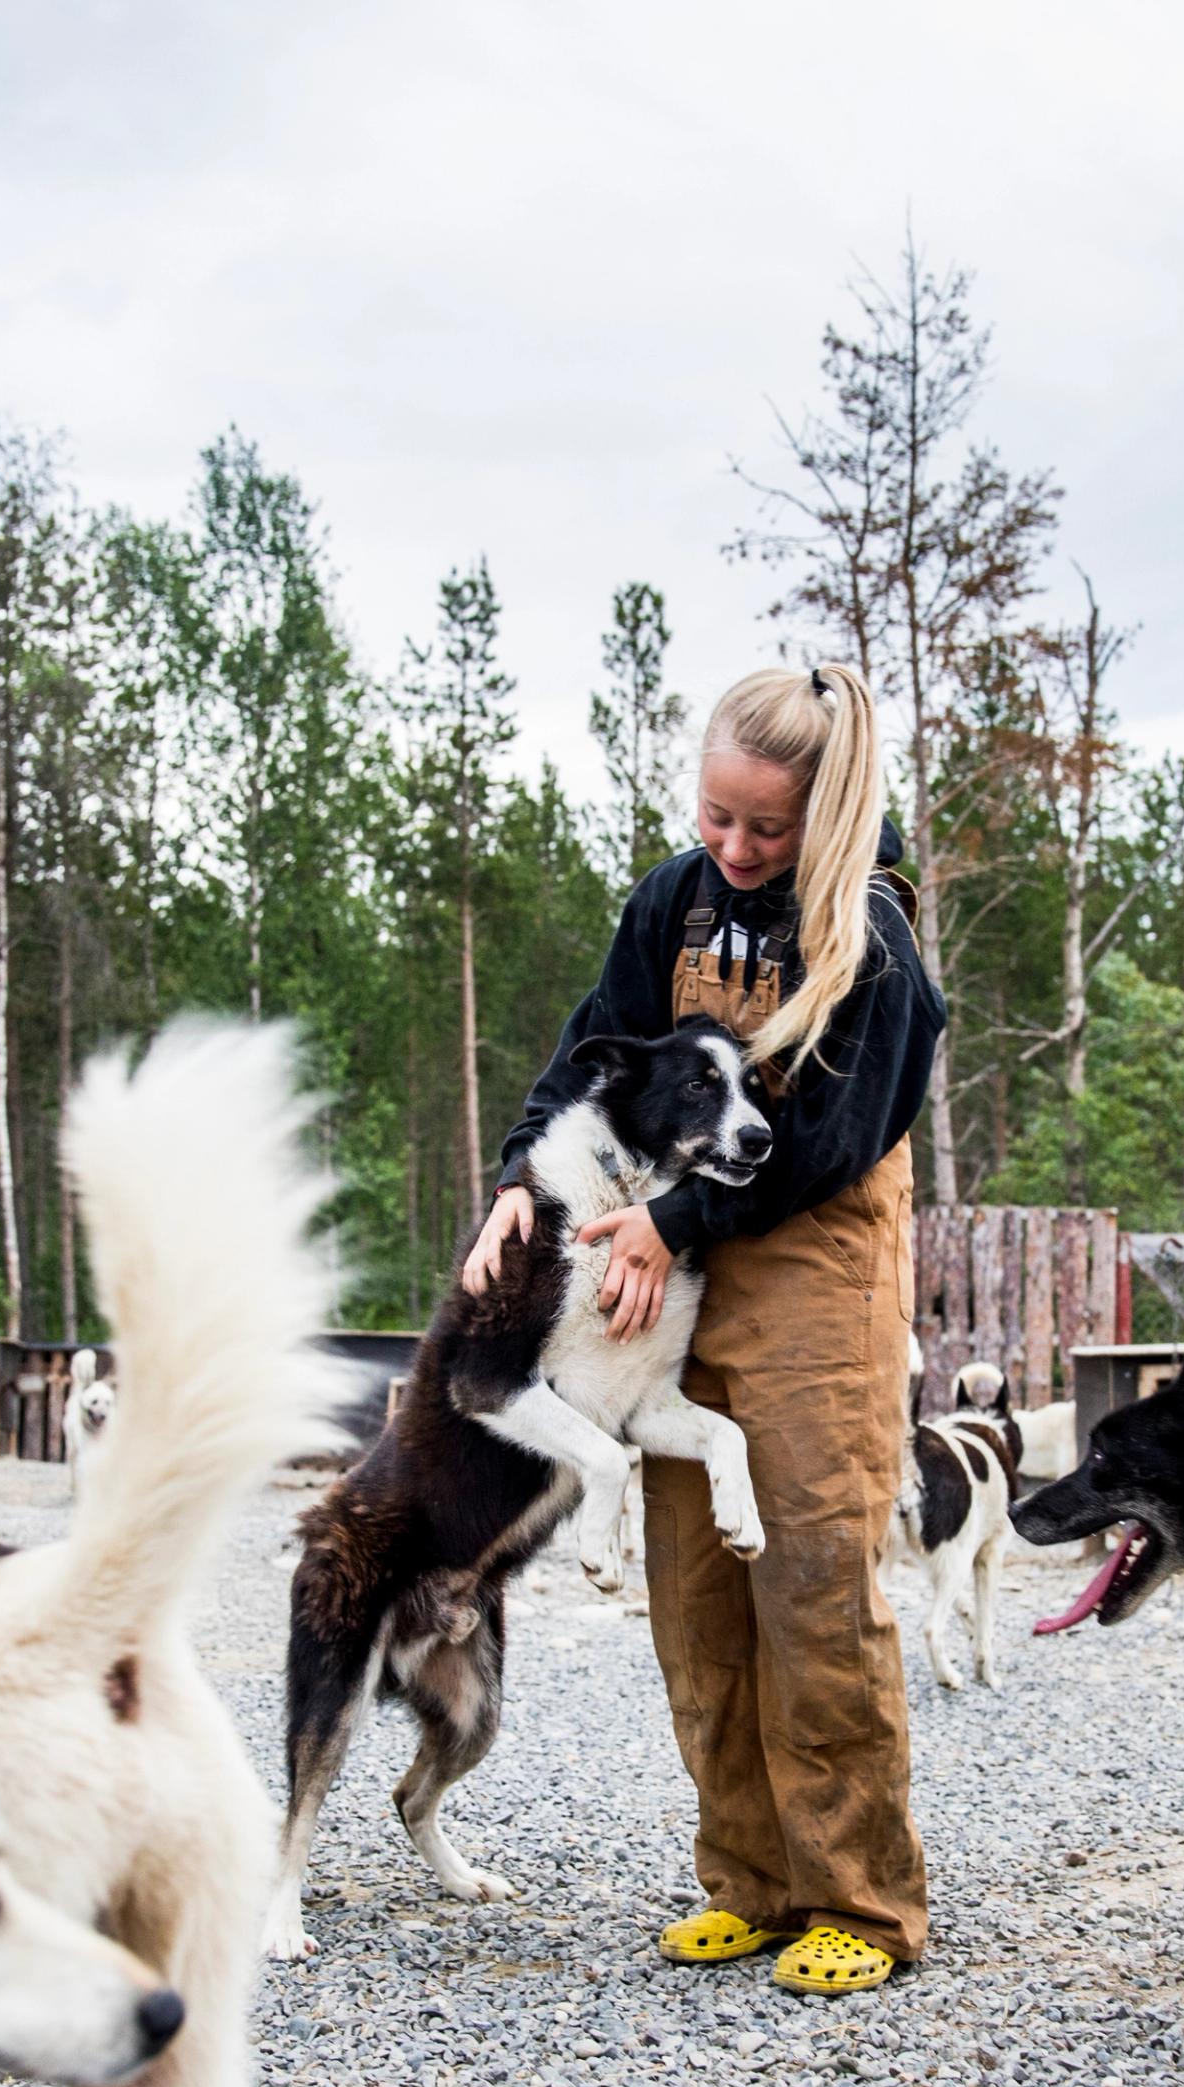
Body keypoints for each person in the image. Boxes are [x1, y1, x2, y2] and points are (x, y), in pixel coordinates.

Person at [462, 663, 943, 1994]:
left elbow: (839, 1138)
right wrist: (517, 1176)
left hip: (808, 1259)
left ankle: (859, 1898)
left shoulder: (875, 940)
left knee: (807, 1578)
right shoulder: (673, 899)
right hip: (668, 1251)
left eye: (766, 829)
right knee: (695, 1585)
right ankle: (751, 1878)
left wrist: (678, 1226)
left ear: (829, 815)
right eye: (716, 816)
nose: (733, 850)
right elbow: (591, 1048)